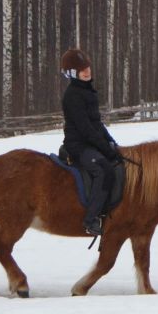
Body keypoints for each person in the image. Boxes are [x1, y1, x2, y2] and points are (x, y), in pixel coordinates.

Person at [60, 48, 126, 236]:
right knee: (103, 169)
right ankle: (91, 219)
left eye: (87, 67)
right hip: (78, 146)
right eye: (82, 69)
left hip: (90, 142)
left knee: (117, 163)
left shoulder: (88, 91)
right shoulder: (72, 95)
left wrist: (112, 143)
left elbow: (97, 124)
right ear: (72, 73)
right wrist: (105, 149)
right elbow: (85, 129)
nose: (87, 71)